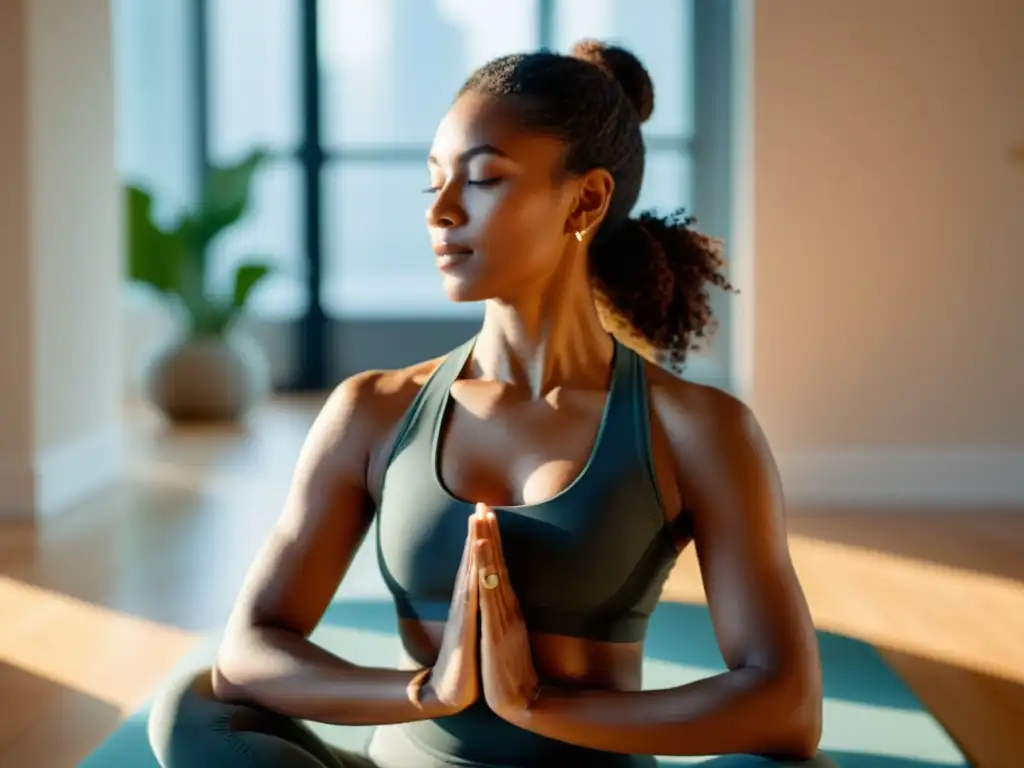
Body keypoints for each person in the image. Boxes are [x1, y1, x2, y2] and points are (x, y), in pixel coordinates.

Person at [148, 40, 824, 767]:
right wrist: (428, 693)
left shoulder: (694, 428)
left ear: (586, 200)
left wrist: (536, 705)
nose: (441, 211)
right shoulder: (372, 409)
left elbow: (787, 703)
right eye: (434, 182)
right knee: (191, 708)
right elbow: (248, 653)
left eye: (483, 179)